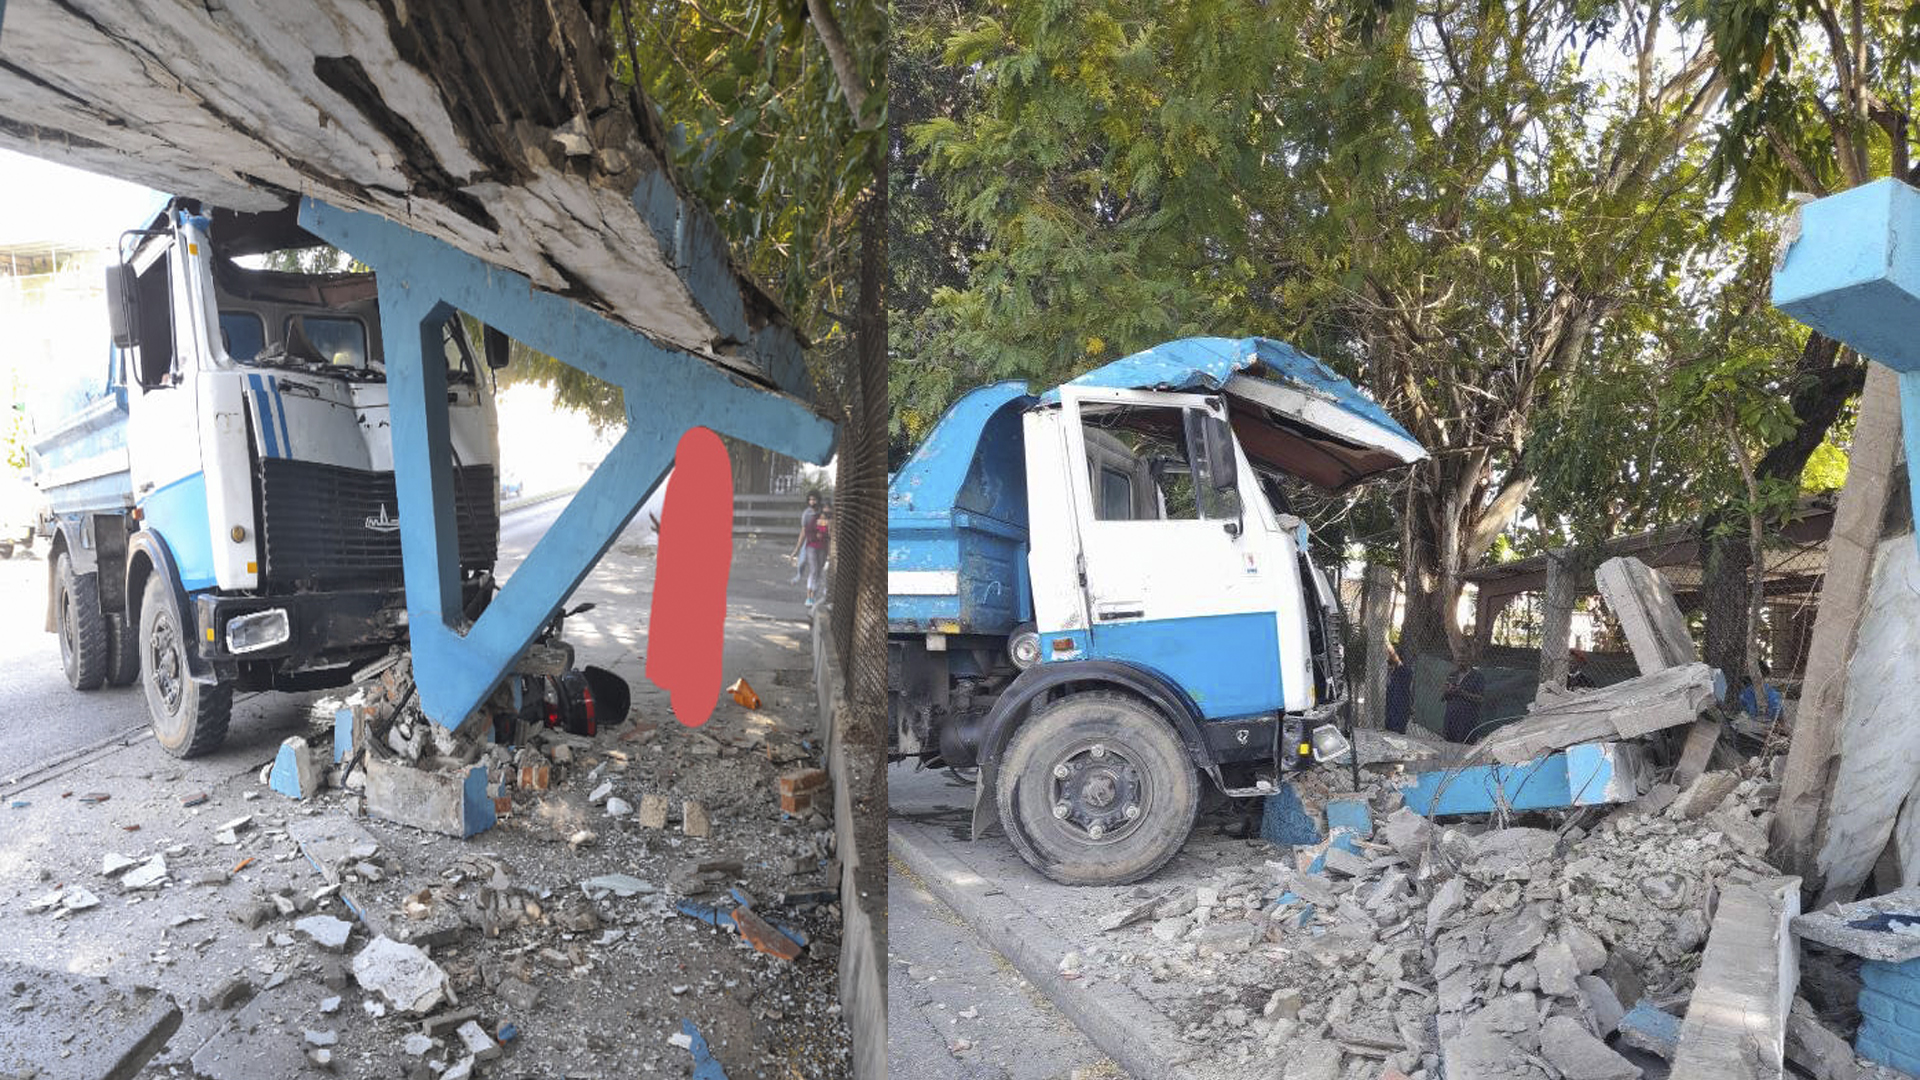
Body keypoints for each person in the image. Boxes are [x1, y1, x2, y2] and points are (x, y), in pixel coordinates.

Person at [1441, 652, 1486, 743]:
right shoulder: (1452, 675)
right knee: (1448, 745)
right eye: (1458, 661)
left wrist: (1462, 692)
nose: (1460, 663)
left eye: (1463, 661)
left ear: (1470, 661)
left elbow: (1480, 698)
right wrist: (1448, 691)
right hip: (1451, 718)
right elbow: (1443, 697)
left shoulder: (1477, 677)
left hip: (1466, 719)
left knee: (1464, 746)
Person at [802, 499, 831, 607]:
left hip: (823, 548)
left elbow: (830, 535)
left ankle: (813, 596)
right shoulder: (815, 519)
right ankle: (809, 596)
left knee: (819, 571)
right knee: (813, 570)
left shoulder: (830, 521)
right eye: (824, 507)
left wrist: (825, 535)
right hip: (812, 546)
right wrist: (815, 536)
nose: (826, 509)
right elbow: (808, 531)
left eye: (828, 507)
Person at [788, 491, 821, 587]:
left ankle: (814, 585)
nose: (812, 502)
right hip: (809, 540)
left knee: (816, 565)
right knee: (802, 561)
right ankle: (798, 576)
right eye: (810, 500)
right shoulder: (806, 514)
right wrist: (796, 549)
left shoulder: (822, 512)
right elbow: (803, 532)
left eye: (814, 499)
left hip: (820, 540)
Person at [1384, 643, 1414, 734]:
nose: (1387, 657)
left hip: (1400, 708)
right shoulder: (1390, 671)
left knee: (1397, 733)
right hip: (1390, 708)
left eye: (1390, 655)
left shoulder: (1404, 671)